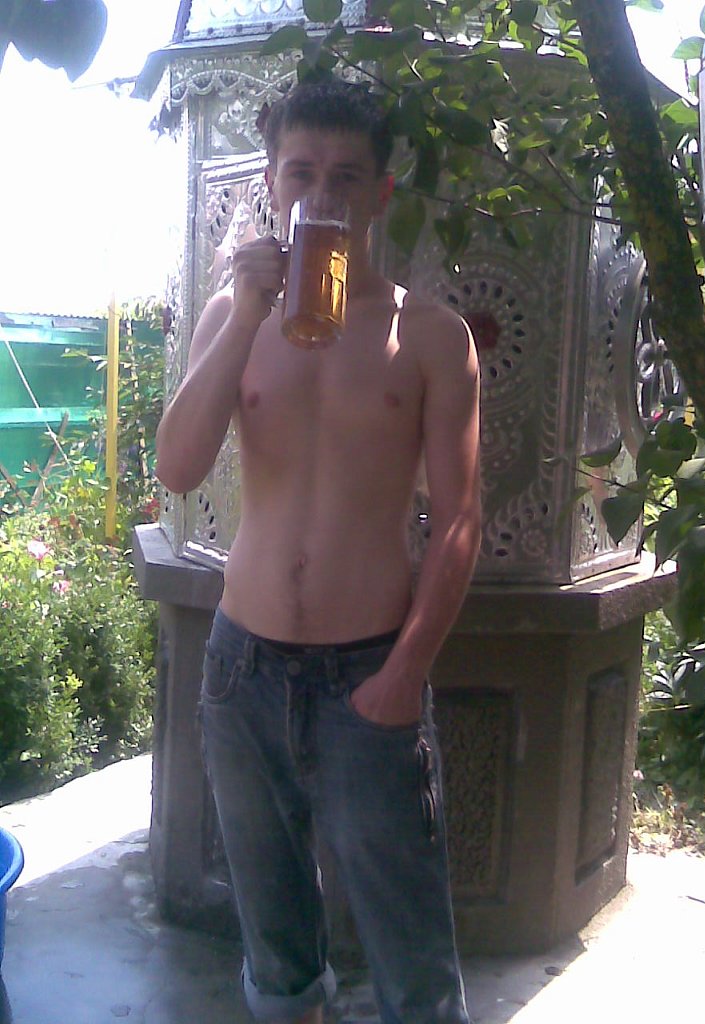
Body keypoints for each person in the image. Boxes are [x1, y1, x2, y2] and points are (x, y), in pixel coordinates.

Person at [155, 77, 481, 1024]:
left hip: (368, 677)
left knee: (412, 956)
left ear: (380, 193)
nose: (321, 195)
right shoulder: (233, 317)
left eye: (345, 176)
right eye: (301, 172)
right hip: (241, 669)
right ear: (272, 181)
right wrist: (244, 312)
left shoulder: (431, 336)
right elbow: (178, 468)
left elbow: (460, 519)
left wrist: (405, 674)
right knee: (277, 952)